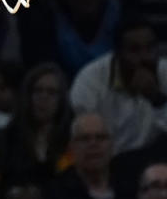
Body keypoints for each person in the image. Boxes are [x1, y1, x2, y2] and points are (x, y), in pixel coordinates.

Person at [70, 15, 167, 155]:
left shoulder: (164, 71)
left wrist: (157, 99)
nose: (145, 56)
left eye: (150, 47)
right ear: (117, 52)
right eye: (135, 50)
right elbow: (88, 140)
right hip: (107, 161)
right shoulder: (89, 82)